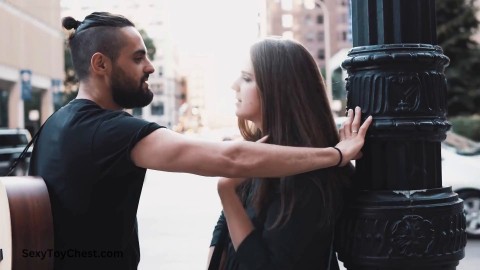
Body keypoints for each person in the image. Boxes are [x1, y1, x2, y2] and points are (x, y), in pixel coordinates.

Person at [29, 12, 371, 270]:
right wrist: (336, 155)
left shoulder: (53, 125)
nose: (150, 67)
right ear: (100, 64)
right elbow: (231, 159)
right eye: (137, 58)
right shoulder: (109, 132)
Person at [207, 37, 360, 270]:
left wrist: (226, 191)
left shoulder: (307, 180)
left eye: (247, 79)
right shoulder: (256, 152)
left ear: (277, 90)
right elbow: (225, 227)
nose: (234, 85)